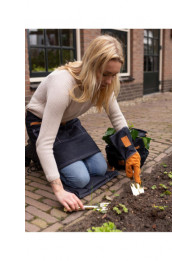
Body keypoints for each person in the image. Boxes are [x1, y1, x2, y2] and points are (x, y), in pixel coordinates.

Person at [25, 35, 141, 212]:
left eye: (114, 75)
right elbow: (45, 142)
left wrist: (130, 150)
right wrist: (59, 190)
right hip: (41, 124)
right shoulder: (62, 83)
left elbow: (117, 118)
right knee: (79, 179)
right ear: (91, 66)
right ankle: (32, 152)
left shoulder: (104, 84)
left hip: (68, 122)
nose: (109, 81)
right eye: (105, 74)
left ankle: (59, 156)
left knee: (100, 169)